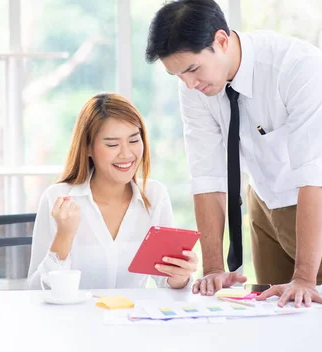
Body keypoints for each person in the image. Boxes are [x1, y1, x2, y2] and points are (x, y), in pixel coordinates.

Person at [145, 0, 322, 307]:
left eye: (193, 69)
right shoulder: (195, 86)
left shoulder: (298, 66)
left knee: (321, 311)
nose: (187, 83)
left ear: (221, 41)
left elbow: (314, 175)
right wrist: (212, 269)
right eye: (177, 75)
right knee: (269, 311)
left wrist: (304, 277)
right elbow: (207, 175)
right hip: (266, 200)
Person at [27, 92, 198, 290]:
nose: (126, 154)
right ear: (87, 148)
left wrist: (180, 276)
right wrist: (64, 236)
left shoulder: (155, 195)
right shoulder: (58, 199)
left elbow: (167, 283)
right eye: (112, 144)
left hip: (133, 318)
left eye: (134, 140)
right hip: (75, 320)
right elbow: (34, 292)